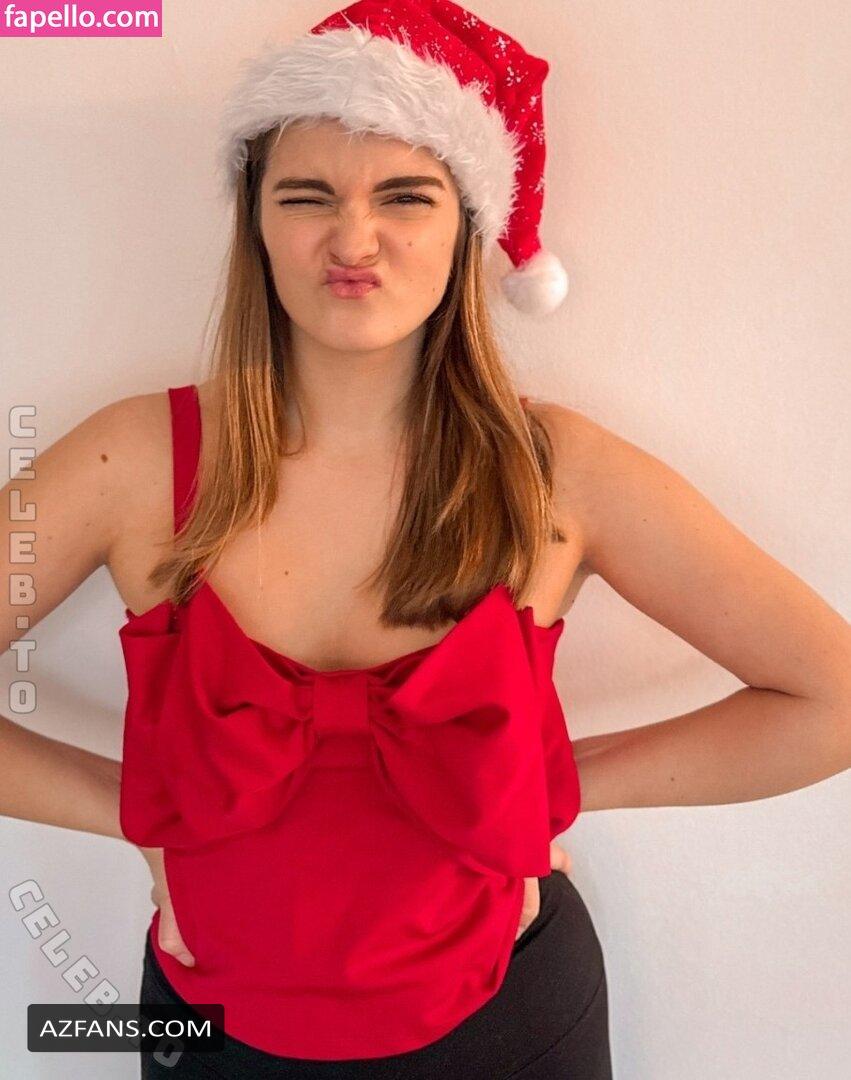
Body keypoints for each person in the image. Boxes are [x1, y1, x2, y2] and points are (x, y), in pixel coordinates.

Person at [2, 3, 849, 1078]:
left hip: (511, 1028)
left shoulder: (554, 473)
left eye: (405, 196)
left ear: (467, 223)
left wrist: (553, 788)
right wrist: (137, 814)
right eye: (305, 196)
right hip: (204, 1036)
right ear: (254, 223)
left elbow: (826, 698)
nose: (353, 241)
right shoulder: (131, 463)